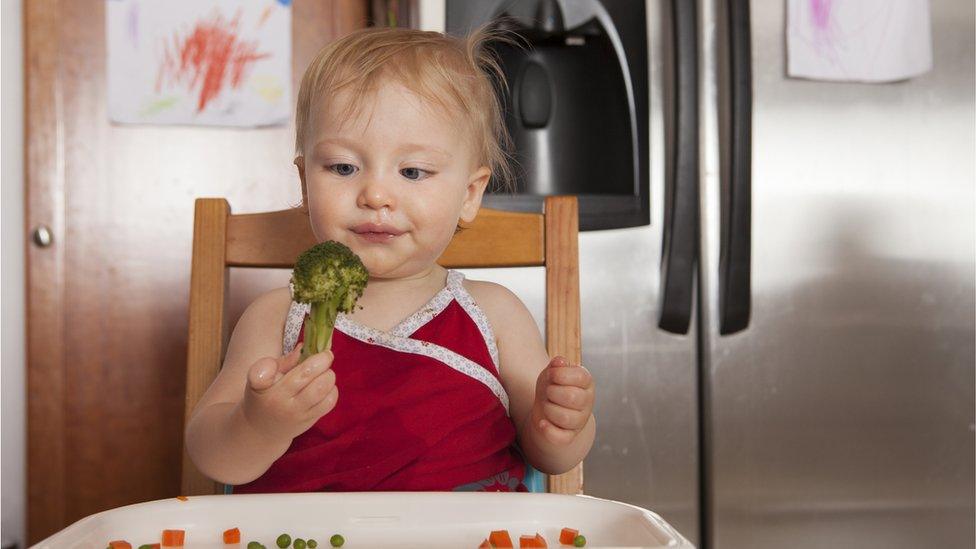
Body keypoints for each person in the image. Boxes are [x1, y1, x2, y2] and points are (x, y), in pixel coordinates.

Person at [184, 24, 595, 493]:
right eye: (343, 167)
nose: (376, 193)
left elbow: (553, 456)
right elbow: (211, 455)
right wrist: (259, 425)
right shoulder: (277, 318)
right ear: (304, 182)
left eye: (413, 171)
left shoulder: (496, 314)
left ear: (469, 193)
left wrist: (563, 422)